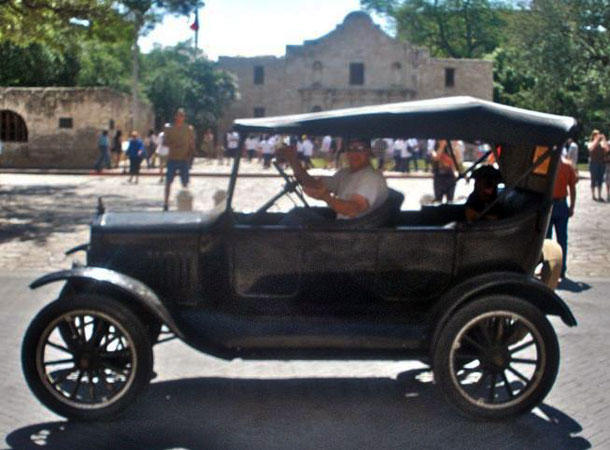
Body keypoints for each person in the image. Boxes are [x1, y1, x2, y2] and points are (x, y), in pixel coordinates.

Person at [277, 137, 389, 225]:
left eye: (359, 148)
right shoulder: (346, 173)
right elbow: (315, 185)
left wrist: (326, 197)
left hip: (349, 234)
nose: (354, 153)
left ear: (369, 152)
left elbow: (352, 210)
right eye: (350, 148)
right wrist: (293, 160)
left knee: (297, 216)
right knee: (298, 213)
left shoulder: (371, 178)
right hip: (344, 225)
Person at [546, 156, 577, 279]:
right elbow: (572, 187)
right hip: (559, 203)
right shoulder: (566, 166)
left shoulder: (549, 166)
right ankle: (558, 269)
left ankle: (552, 268)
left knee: (550, 239)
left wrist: (572, 206)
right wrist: (572, 206)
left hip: (552, 204)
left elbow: (572, 187)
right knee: (560, 239)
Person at [163, 108, 195, 211]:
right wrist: (173, 143)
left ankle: (185, 203)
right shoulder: (169, 128)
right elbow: (164, 142)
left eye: (182, 115)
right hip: (172, 158)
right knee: (168, 182)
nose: (181, 117)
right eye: (179, 115)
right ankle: (166, 203)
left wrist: (190, 157)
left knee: (185, 183)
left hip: (183, 159)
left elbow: (191, 144)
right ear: (175, 116)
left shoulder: (188, 129)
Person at [587, 130, 608, 201]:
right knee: (593, 180)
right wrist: (596, 140)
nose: (597, 136)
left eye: (598, 134)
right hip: (593, 164)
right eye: (596, 134)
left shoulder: (602, 143)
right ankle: (593, 195)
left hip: (601, 164)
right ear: (593, 136)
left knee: (600, 180)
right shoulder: (590, 143)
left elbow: (607, 149)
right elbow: (591, 148)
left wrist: (604, 139)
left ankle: (599, 195)